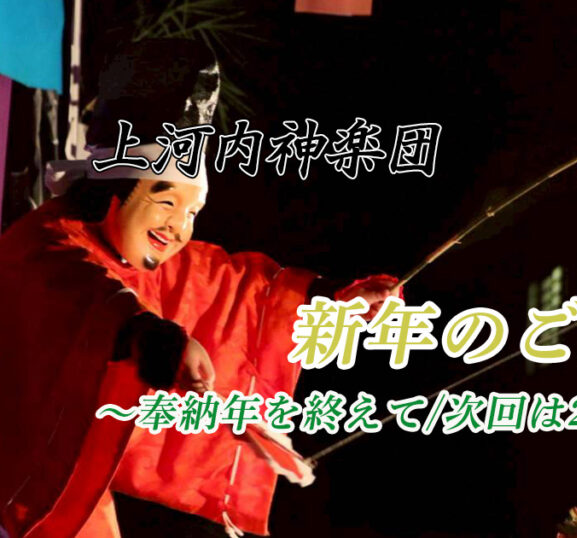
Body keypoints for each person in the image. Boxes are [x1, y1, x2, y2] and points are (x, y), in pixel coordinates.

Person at [0, 39, 398, 538]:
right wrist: (153, 338)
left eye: (192, 212)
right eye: (166, 202)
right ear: (113, 188)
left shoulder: (145, 256)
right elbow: (81, 291)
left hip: (65, 478)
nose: (178, 227)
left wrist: (333, 299)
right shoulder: (45, 244)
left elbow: (239, 291)